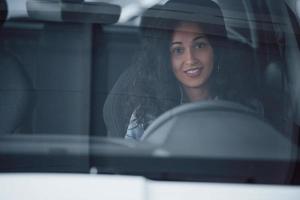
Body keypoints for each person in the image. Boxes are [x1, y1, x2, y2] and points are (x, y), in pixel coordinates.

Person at [124, 0, 262, 140]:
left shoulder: (245, 108)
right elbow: (130, 161)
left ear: (216, 50)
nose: (190, 59)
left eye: (200, 45)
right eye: (178, 50)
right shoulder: (145, 115)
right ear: (166, 59)